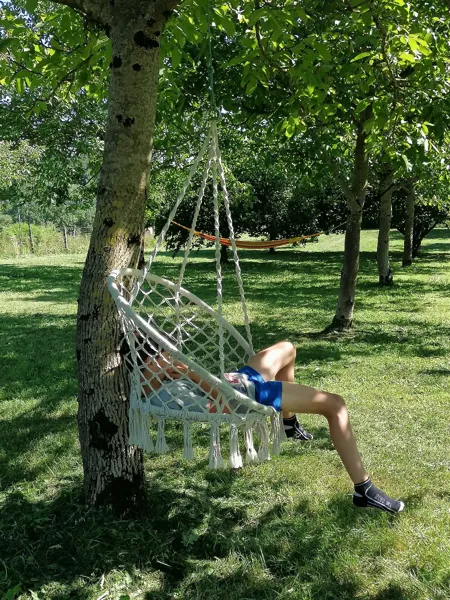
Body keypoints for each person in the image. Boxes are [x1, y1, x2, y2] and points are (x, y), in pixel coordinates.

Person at [141, 340, 404, 514]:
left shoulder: (161, 378)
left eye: (164, 354)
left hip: (239, 380)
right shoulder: (160, 393)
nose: (166, 358)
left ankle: (288, 424)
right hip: (249, 396)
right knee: (335, 405)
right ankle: (364, 489)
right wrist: (190, 373)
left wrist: (182, 372)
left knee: (288, 348)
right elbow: (226, 406)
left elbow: (209, 386)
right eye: (158, 358)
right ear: (145, 367)